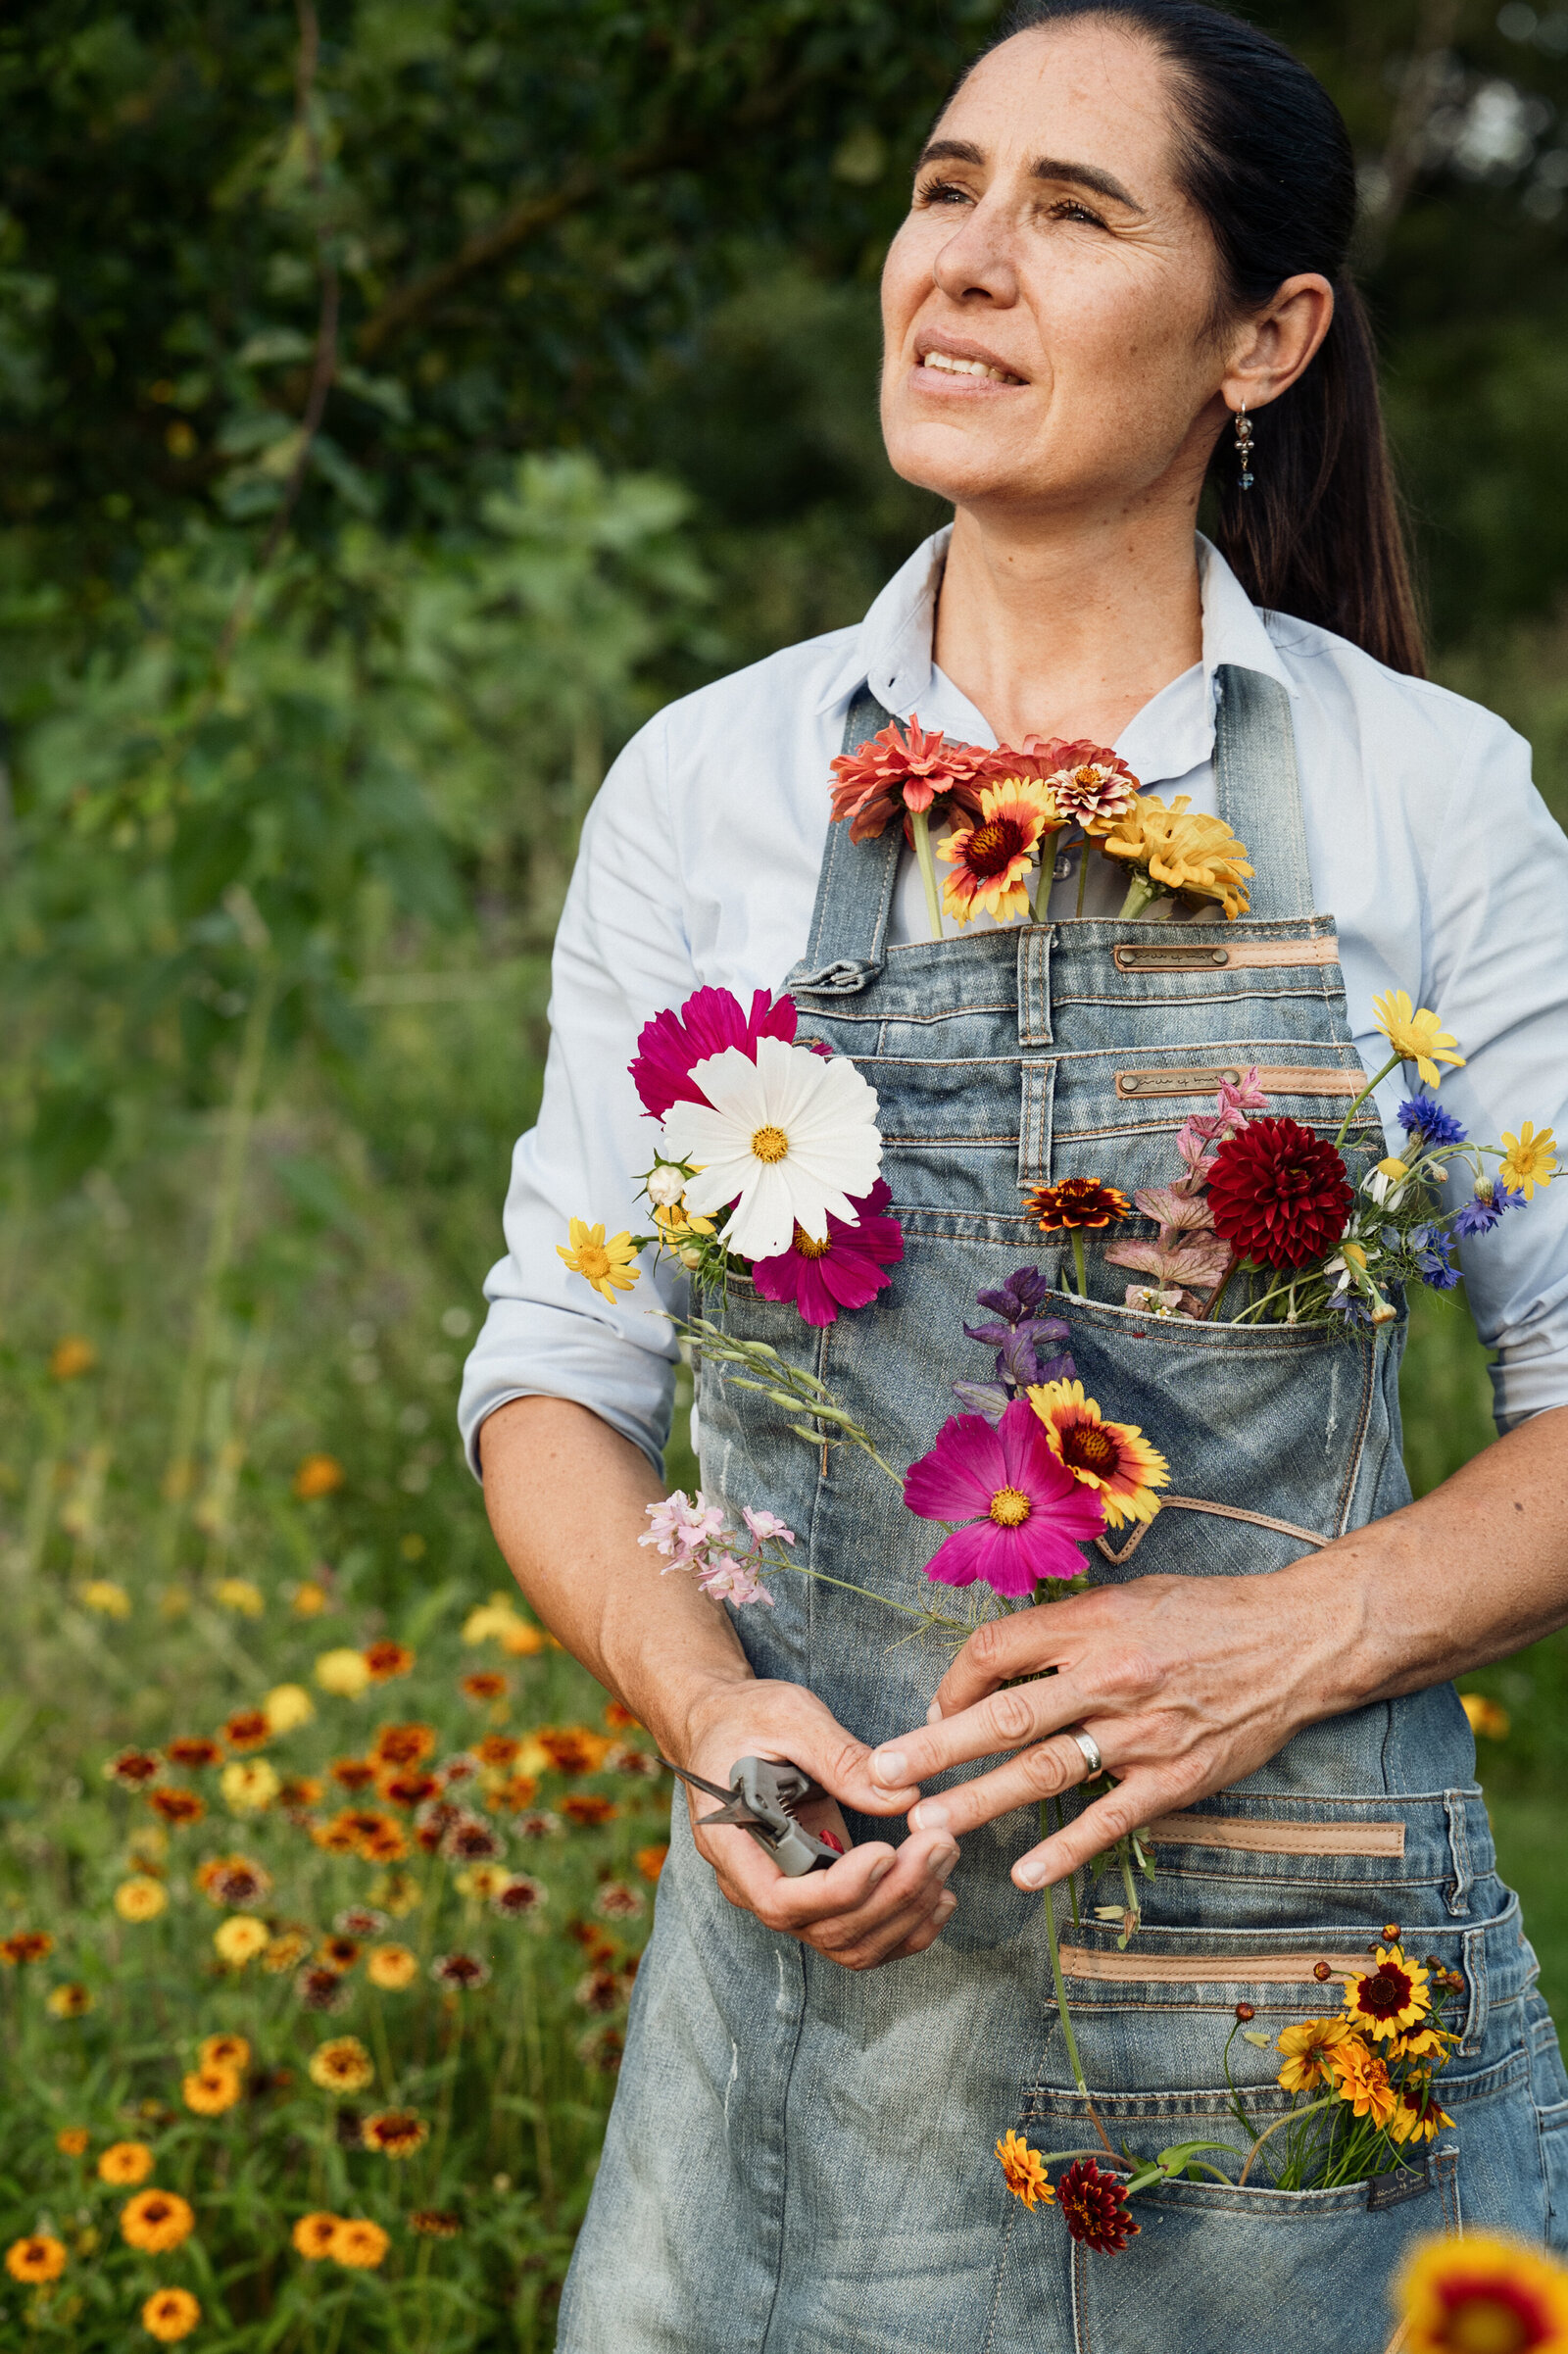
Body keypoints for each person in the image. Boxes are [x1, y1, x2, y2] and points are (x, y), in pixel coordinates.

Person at [461, 4, 1568, 2344]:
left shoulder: (1421, 798)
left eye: (1070, 214)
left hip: (1299, 2021)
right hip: (820, 2003)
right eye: (946, 187)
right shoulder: (710, 783)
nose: (961, 260)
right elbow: (556, 1371)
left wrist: (1277, 1642)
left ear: (1257, 337)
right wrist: (706, 1708)